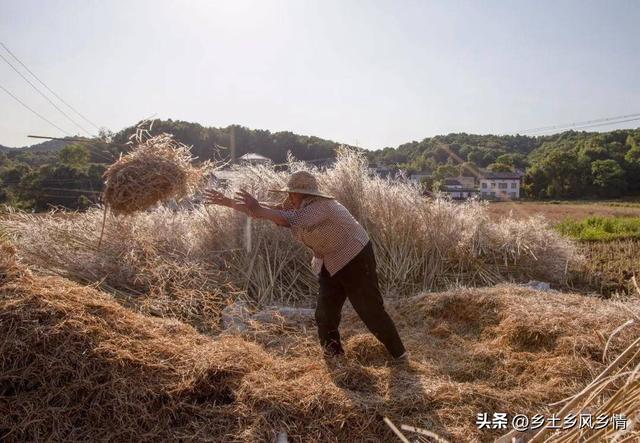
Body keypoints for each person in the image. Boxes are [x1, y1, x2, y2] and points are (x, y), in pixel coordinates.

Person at [204, 171, 408, 362]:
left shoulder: (323, 206)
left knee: (369, 310)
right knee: (324, 313)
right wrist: (228, 202)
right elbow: (267, 211)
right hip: (330, 260)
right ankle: (334, 357)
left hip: (355, 256)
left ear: (303, 194)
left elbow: (291, 219)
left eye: (292, 193)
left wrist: (259, 208)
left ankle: (399, 355)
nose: (289, 197)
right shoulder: (295, 205)